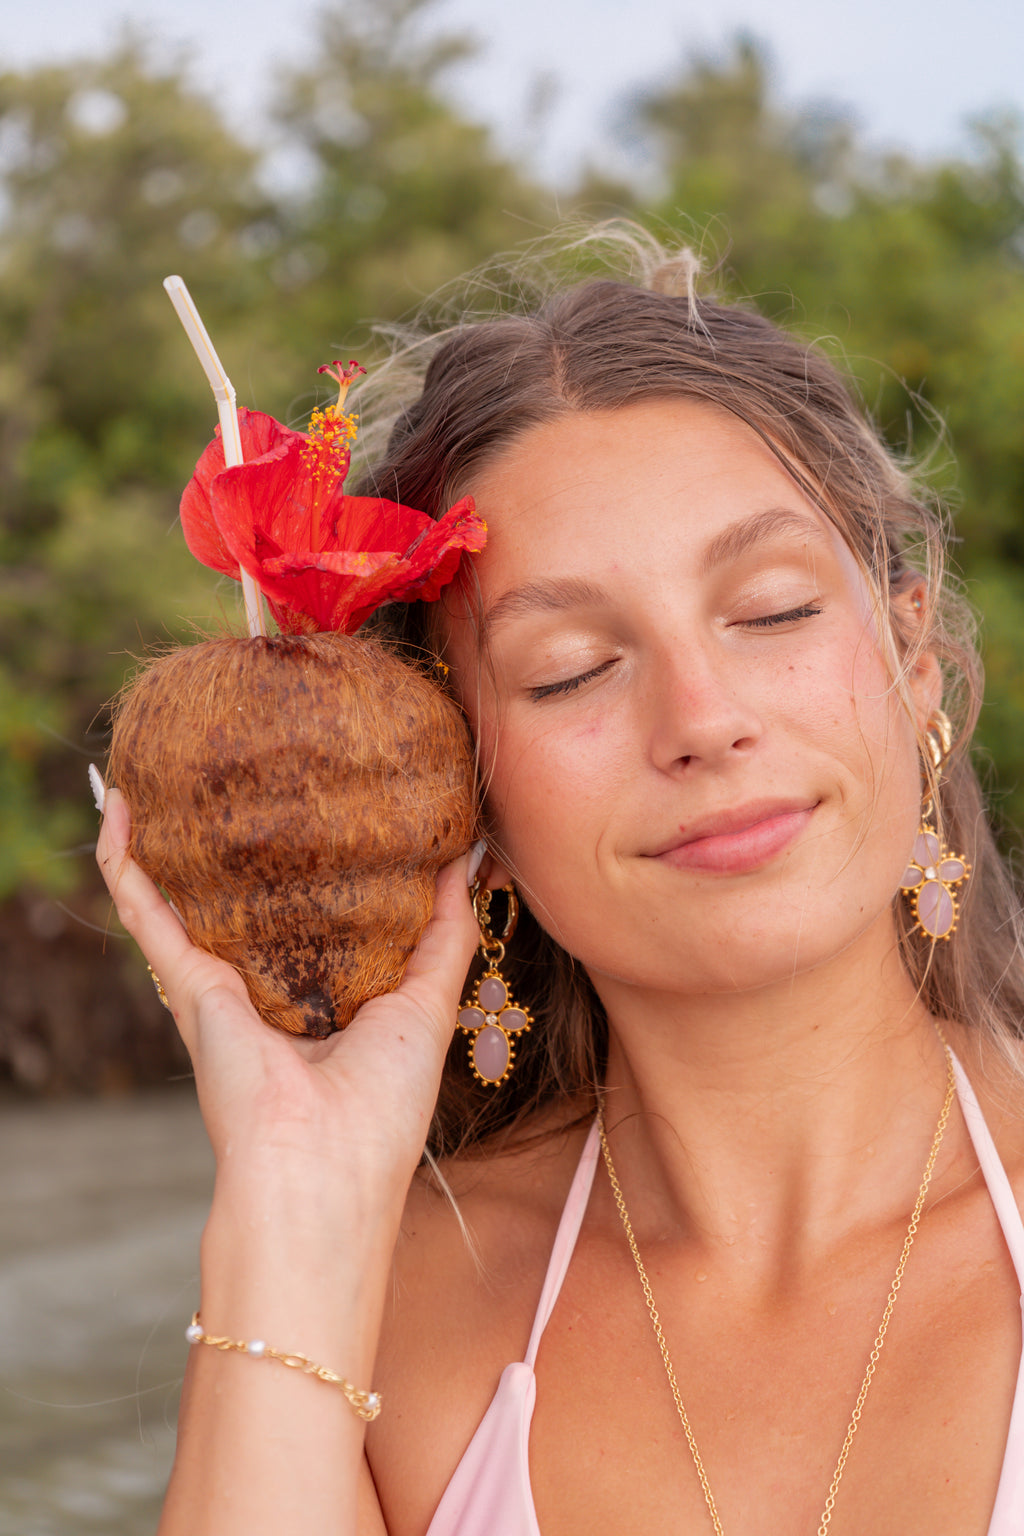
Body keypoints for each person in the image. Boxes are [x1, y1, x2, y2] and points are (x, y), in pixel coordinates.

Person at [96, 229, 1024, 1536]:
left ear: (912, 658)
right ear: (462, 790)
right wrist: (294, 1202)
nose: (704, 718)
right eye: (571, 670)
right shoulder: (383, 1320)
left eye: (770, 610)